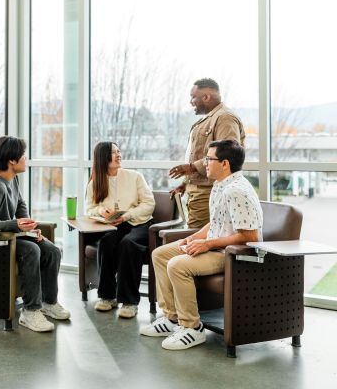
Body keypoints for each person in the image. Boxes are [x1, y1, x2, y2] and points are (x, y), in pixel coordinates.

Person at [140, 140, 262, 350]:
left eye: (209, 159)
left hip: (231, 254)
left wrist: (207, 244)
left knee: (178, 265)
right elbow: (217, 221)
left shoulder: (236, 190)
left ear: (224, 163)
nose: (205, 163)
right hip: (215, 245)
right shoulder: (221, 185)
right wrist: (193, 237)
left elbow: (250, 236)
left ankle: (192, 328)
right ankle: (172, 319)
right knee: (160, 254)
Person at [0, 135, 70, 332]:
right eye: (23, 155)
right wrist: (17, 225)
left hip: (13, 237)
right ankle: (30, 311)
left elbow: (20, 204)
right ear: (12, 160)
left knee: (53, 250)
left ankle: (49, 303)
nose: (26, 159)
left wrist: (29, 226)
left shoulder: (12, 179)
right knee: (31, 250)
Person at [85, 142, 155, 318]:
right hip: (115, 225)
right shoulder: (96, 182)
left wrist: (127, 215)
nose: (118, 155)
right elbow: (90, 208)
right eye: (113, 153)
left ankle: (130, 302)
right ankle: (107, 297)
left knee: (128, 244)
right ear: (103, 158)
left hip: (139, 223)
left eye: (119, 152)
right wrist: (101, 210)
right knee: (106, 243)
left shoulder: (135, 176)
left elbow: (149, 204)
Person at [169, 78, 246, 229]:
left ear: (206, 97)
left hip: (208, 192)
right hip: (198, 190)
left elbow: (227, 154)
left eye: (193, 97)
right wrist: (186, 183)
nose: (191, 102)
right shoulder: (208, 119)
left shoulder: (225, 118)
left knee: (196, 241)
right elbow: (201, 155)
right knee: (194, 239)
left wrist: (192, 167)